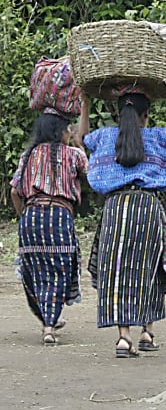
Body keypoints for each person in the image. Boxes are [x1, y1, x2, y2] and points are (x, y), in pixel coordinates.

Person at [78, 76, 166, 358]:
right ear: (147, 114)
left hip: (116, 208)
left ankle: (123, 338)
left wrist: (84, 103)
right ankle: (147, 331)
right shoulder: (158, 136)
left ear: (119, 113)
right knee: (149, 267)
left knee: (117, 270)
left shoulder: (106, 137)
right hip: (147, 207)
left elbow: (80, 137)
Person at [10, 110, 88, 346]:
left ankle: (46, 317)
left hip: (31, 217)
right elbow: (92, 174)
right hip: (59, 216)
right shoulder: (73, 155)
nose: (70, 132)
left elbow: (15, 191)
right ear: (60, 131)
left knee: (33, 269)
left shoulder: (29, 155)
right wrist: (79, 144)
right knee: (59, 269)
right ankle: (49, 326)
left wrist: (23, 216)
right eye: (68, 129)